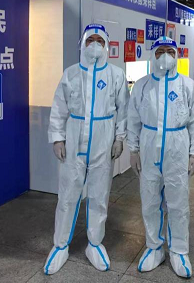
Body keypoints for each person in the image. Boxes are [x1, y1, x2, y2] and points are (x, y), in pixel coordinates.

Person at [44, 23, 129, 275]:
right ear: (82, 44)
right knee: (68, 194)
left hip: (103, 139)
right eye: (90, 40)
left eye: (100, 41)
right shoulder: (71, 74)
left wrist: (120, 138)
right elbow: (59, 108)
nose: (95, 45)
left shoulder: (116, 75)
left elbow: (123, 109)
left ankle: (95, 243)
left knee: (99, 194)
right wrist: (58, 138)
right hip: (74, 137)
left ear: (106, 45)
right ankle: (60, 245)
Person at [127, 36, 194, 278]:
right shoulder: (142, 86)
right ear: (153, 54)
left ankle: (179, 250)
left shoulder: (187, 85)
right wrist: (133, 149)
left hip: (177, 146)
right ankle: (154, 247)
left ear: (176, 55)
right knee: (150, 200)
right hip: (149, 146)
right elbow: (133, 119)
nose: (165, 56)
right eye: (160, 51)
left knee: (178, 201)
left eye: (170, 51)